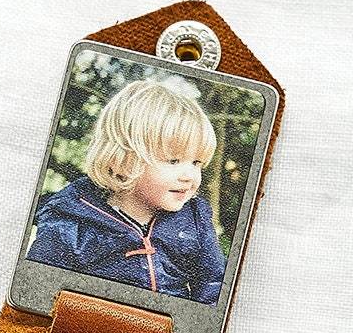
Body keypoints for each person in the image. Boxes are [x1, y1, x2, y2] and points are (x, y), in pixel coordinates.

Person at [27, 79, 228, 304]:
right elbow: (37, 289)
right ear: (122, 161)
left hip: (168, 322)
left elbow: (213, 286)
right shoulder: (72, 223)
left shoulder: (193, 219)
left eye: (196, 163)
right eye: (173, 161)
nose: (189, 175)